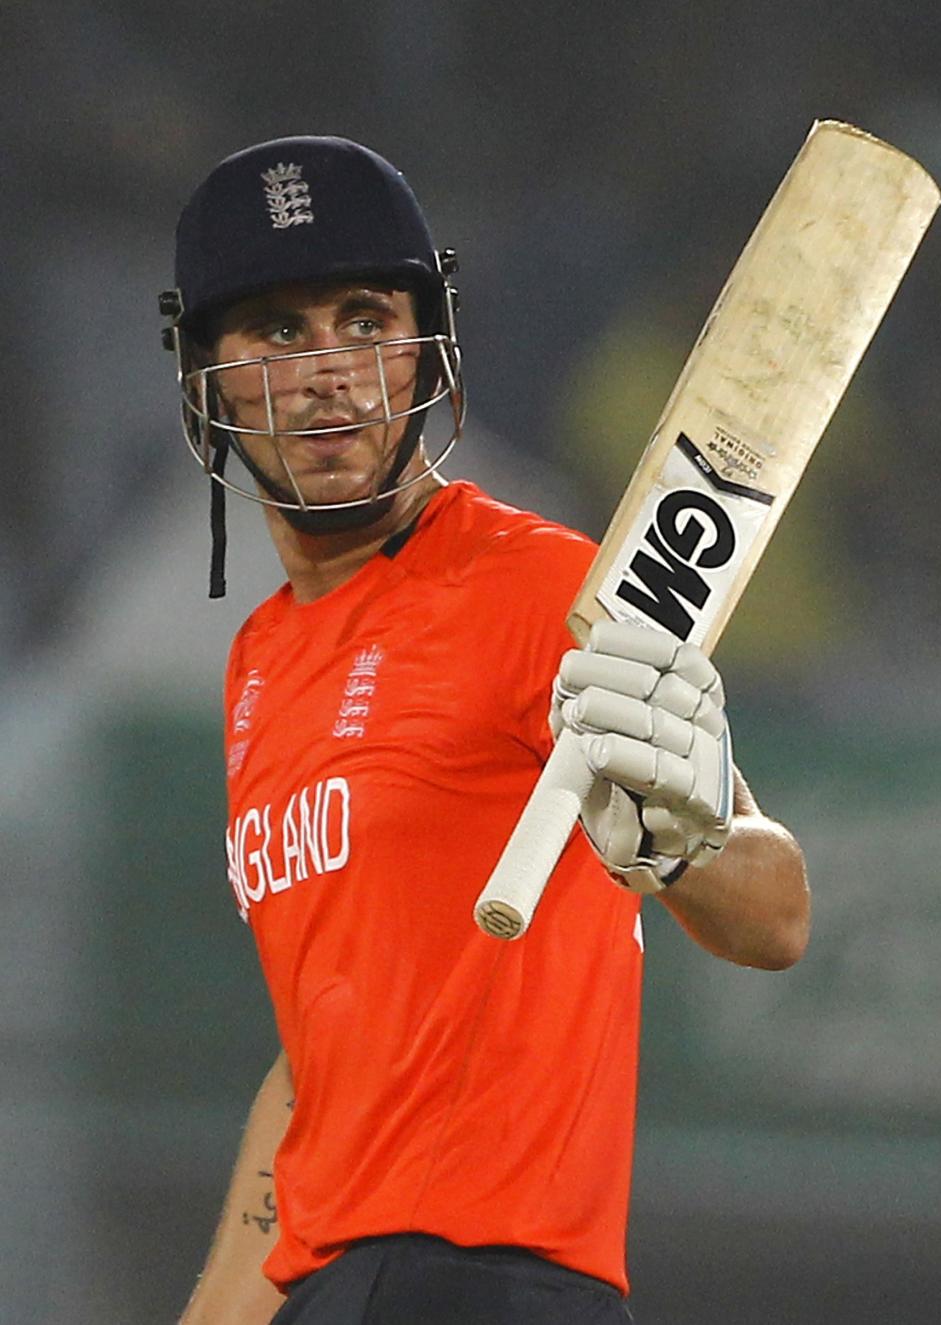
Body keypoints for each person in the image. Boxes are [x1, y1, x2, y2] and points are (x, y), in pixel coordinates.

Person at [163, 136, 810, 1325]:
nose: (331, 371)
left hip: (495, 1284)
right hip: (325, 1291)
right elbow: (321, 1067)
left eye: (366, 317)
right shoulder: (258, 662)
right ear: (208, 375)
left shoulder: (537, 588)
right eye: (280, 332)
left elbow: (775, 913)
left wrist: (680, 837)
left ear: (427, 349)